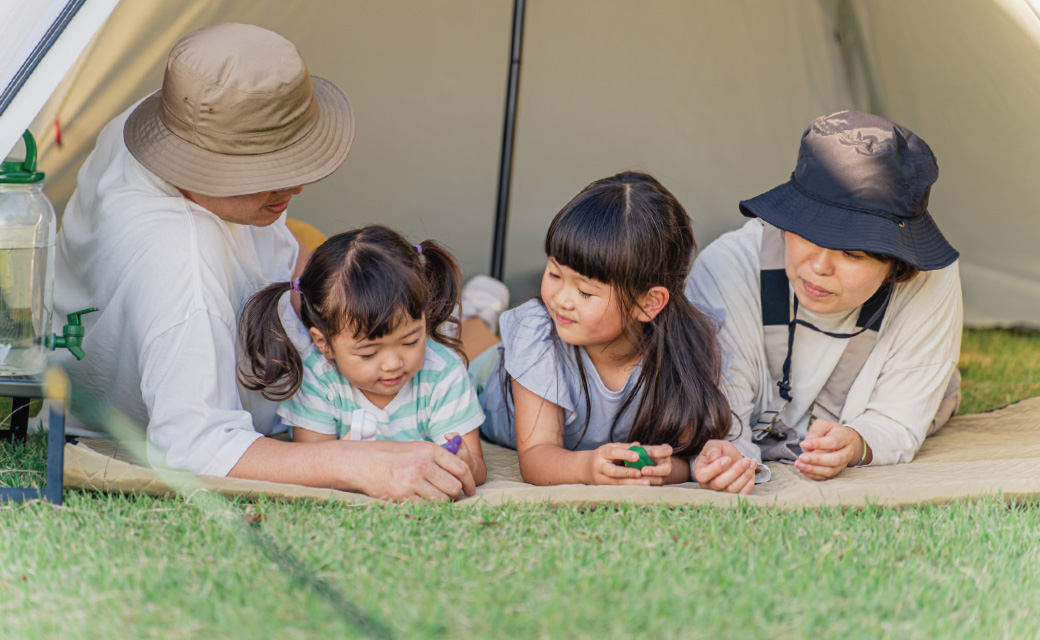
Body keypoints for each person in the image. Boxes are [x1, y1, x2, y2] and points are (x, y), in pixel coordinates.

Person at [53, 23, 476, 502]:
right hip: (149, 415)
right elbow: (193, 447)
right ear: (199, 166)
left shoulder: (170, 117)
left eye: (294, 161)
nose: (295, 187)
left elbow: (278, 253)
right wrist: (360, 461)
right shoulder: (182, 267)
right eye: (270, 172)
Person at [685, 110, 962, 486]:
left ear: (898, 263)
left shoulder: (933, 282)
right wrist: (728, 455)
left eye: (852, 254)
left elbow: (899, 420)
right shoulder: (726, 269)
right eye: (807, 235)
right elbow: (723, 422)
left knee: (941, 393)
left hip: (881, 402)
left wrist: (858, 444)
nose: (818, 267)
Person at [464, 171, 756, 491]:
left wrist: (660, 469)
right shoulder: (539, 332)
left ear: (648, 303)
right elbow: (536, 456)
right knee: (468, 349)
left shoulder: (689, 349)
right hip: (491, 382)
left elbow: (685, 460)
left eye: (585, 292)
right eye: (554, 274)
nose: (561, 300)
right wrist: (586, 467)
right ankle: (476, 312)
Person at [237, 225, 487, 486]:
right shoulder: (318, 377)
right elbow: (315, 463)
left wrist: (464, 462)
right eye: (368, 354)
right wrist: (345, 456)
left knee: (475, 333)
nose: (393, 364)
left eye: (411, 341)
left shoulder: (443, 373)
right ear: (325, 344)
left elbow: (477, 468)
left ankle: (480, 310)